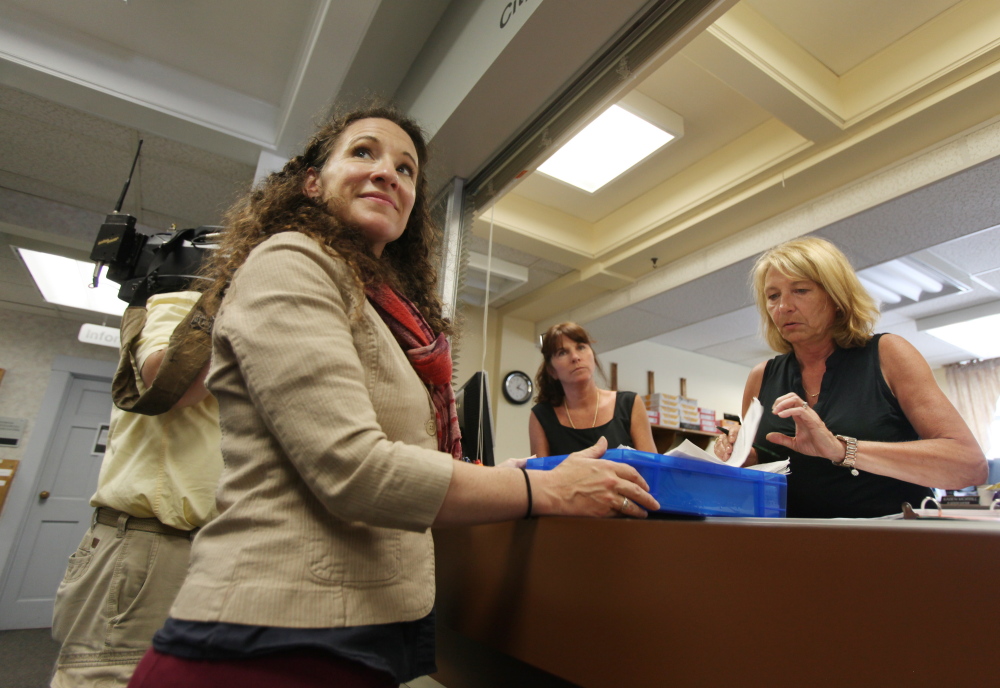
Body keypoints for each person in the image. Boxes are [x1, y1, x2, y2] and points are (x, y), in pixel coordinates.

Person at [126, 103, 659, 688]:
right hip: (267, 642)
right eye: (363, 153)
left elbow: (401, 452)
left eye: (406, 169)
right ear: (311, 181)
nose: (388, 173)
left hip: (353, 637)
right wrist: (540, 486)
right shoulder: (290, 260)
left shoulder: (380, 310)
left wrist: (498, 476)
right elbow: (355, 469)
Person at [714, 237, 987, 518]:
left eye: (800, 290)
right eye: (773, 296)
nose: (783, 307)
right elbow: (760, 471)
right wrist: (742, 457)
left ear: (836, 297)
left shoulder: (888, 355)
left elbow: (969, 465)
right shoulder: (761, 377)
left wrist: (840, 449)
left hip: (892, 544)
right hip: (793, 544)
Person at [51, 290, 223, 687]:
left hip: (208, 549)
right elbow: (169, 379)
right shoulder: (178, 304)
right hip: (150, 544)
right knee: (113, 677)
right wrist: (234, 293)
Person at [529, 322, 657, 457]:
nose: (575, 357)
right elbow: (539, 475)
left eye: (581, 347)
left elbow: (653, 469)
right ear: (552, 371)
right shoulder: (541, 416)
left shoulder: (629, 404)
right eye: (562, 353)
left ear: (593, 356)